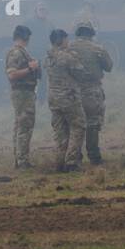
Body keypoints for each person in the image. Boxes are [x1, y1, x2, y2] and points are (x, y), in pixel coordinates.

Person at [69, 18, 113, 165]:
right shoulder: (97, 48)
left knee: (75, 124)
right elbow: (109, 66)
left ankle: (75, 156)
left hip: (73, 91)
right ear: (91, 33)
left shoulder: (68, 48)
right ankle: (94, 155)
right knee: (93, 123)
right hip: (92, 91)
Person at [45, 29, 89, 172]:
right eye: (66, 39)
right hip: (68, 98)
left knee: (60, 130)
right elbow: (81, 73)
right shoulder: (67, 57)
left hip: (53, 99)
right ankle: (71, 162)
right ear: (62, 40)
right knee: (78, 126)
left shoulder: (48, 57)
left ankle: (59, 161)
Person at [4, 25, 42, 169]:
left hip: (25, 92)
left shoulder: (20, 52)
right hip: (22, 93)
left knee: (21, 125)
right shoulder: (16, 53)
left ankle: (19, 159)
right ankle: (22, 160)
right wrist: (30, 68)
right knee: (24, 126)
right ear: (24, 37)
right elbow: (12, 74)